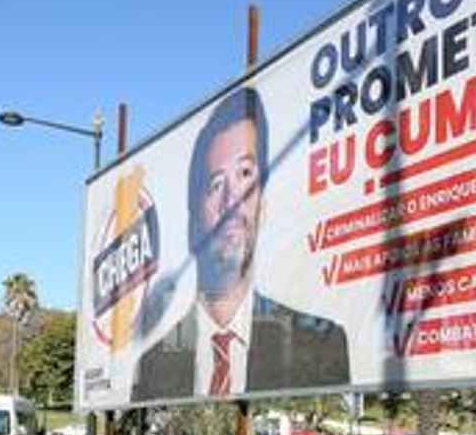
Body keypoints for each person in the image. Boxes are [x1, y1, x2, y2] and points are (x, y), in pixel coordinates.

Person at [131, 86, 350, 402]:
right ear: (192, 225)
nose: (231, 199)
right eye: (215, 184)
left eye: (245, 173)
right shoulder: (152, 363)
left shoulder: (322, 344)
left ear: (263, 204)